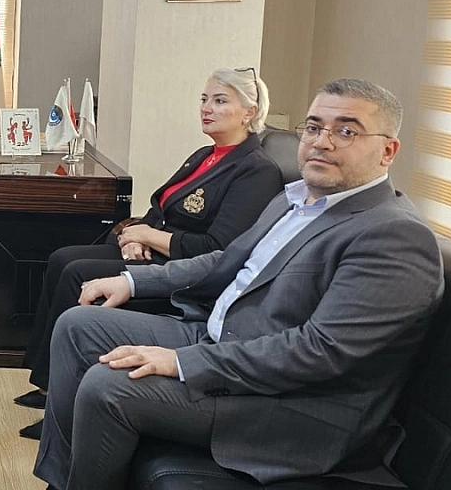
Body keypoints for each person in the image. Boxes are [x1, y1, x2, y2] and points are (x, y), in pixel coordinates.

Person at [34, 79, 444, 490]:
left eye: (347, 131)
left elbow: (318, 352)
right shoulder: (295, 198)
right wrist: (134, 281)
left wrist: (182, 362)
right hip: (222, 338)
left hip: (293, 405)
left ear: (387, 151)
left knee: (109, 386)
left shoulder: (394, 236)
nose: (323, 142)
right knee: (78, 326)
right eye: (314, 127)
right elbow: (226, 260)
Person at [16, 68, 283, 439]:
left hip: (180, 272)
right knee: (62, 258)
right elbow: (162, 205)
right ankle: (49, 382)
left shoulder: (257, 171)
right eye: (204, 99)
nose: (206, 108)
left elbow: (218, 249)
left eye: (220, 101)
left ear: (249, 112)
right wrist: (137, 236)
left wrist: (151, 236)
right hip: (151, 251)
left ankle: (62, 408)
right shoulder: (205, 155)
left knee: (78, 272)